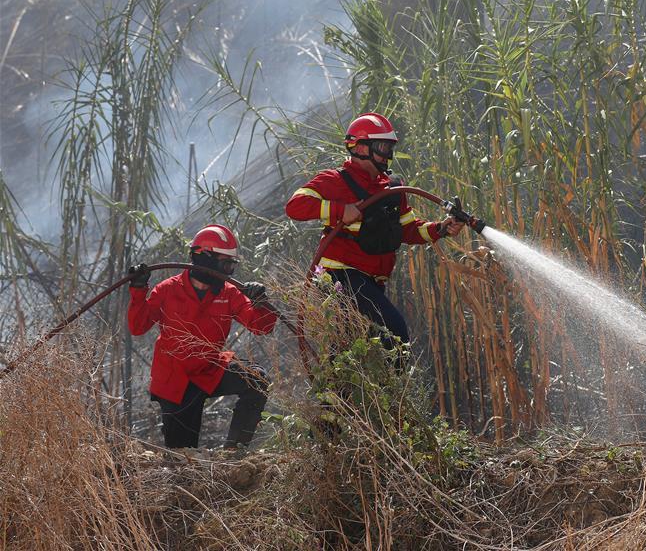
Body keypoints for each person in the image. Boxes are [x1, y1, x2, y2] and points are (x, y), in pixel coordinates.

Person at [285, 112, 463, 347]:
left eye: (389, 148)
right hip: (340, 276)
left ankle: (346, 384)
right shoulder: (335, 180)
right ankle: (391, 383)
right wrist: (340, 210)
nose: (387, 155)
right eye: (381, 147)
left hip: (371, 281)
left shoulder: (391, 188)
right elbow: (295, 206)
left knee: (355, 348)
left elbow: (408, 230)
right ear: (359, 148)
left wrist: (440, 228)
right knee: (396, 333)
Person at [127, 224, 277, 449]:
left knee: (256, 380)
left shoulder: (229, 293)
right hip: (176, 382)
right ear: (203, 258)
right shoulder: (167, 290)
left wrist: (261, 302)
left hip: (209, 369)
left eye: (231, 266)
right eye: (224, 264)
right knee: (183, 457)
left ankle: (234, 452)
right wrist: (138, 289)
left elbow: (260, 326)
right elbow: (137, 327)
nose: (228, 272)